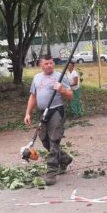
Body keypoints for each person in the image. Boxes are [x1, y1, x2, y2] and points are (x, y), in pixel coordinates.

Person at [24, 55, 74, 185]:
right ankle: (64, 158)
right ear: (41, 64)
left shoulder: (60, 76)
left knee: (54, 140)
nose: (49, 66)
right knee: (45, 140)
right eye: (46, 63)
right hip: (43, 112)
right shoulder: (37, 78)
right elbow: (33, 97)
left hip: (56, 110)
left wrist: (62, 90)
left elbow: (70, 95)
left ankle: (51, 172)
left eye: (51, 63)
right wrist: (27, 113)